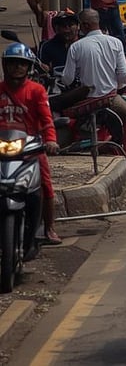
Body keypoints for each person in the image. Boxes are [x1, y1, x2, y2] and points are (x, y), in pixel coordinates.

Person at [0, 43, 61, 249]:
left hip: (30, 147)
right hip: (2, 147)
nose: (17, 67)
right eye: (13, 63)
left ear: (28, 67)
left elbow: (47, 120)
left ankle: (49, 227)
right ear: (5, 65)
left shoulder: (36, 91)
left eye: (22, 64)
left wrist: (50, 141)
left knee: (45, 184)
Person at [60, 9, 126, 149]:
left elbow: (67, 79)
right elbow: (124, 75)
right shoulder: (116, 42)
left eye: (80, 25)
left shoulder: (76, 47)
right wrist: (117, 86)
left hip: (87, 100)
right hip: (110, 99)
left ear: (85, 25)